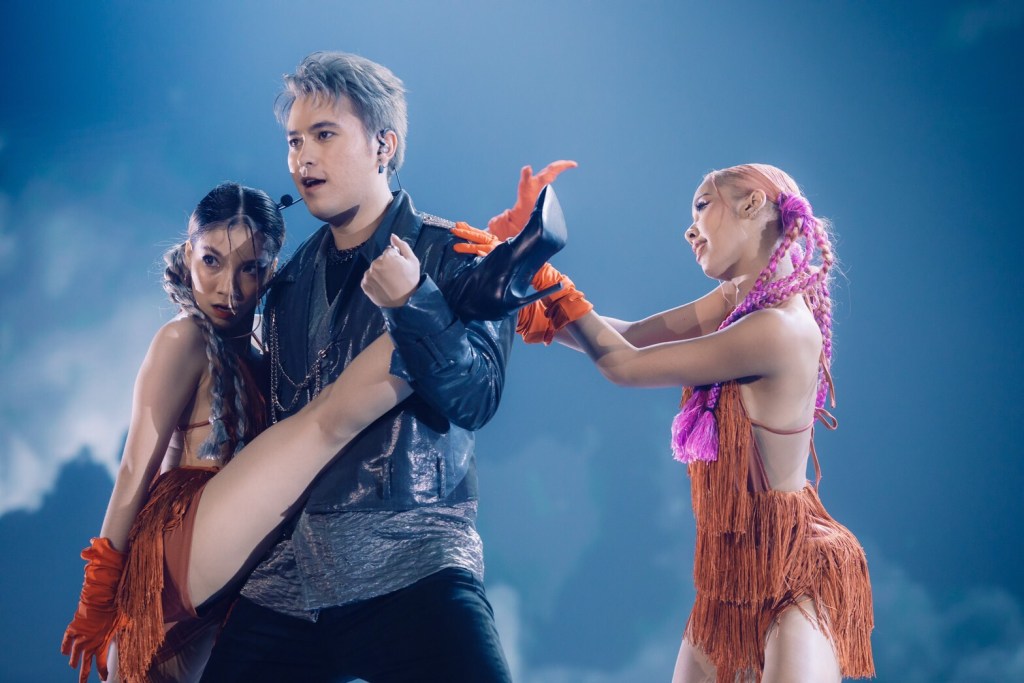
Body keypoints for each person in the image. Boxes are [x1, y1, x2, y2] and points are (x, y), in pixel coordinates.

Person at [198, 52, 571, 683]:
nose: (303, 157)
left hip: (414, 561)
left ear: (383, 145)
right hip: (291, 579)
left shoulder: (455, 254)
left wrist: (415, 302)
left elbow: (477, 397)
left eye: (324, 135)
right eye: (294, 140)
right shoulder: (284, 287)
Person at [457, 163, 875, 682]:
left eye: (702, 206)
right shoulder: (737, 302)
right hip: (728, 577)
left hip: (795, 572)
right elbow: (629, 336)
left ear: (752, 204)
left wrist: (546, 278)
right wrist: (526, 290)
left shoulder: (777, 329)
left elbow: (624, 365)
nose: (689, 230)